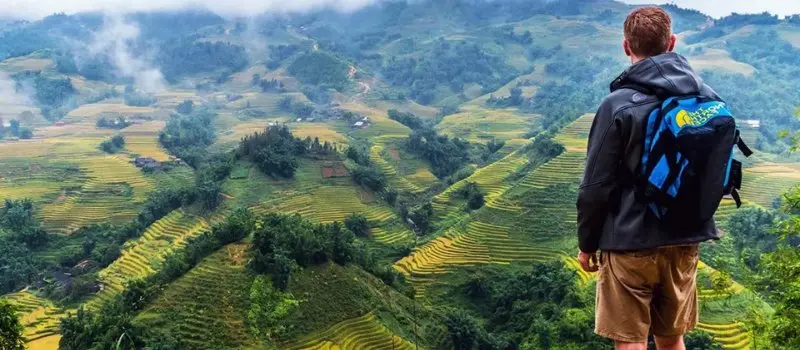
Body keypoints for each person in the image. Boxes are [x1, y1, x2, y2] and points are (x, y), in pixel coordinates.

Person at [576, 6, 722, 350]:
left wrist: (587, 243)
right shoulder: (704, 97)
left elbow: (595, 186)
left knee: (630, 341)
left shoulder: (617, 104)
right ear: (671, 43)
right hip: (685, 238)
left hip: (630, 240)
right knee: (673, 338)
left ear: (627, 47)